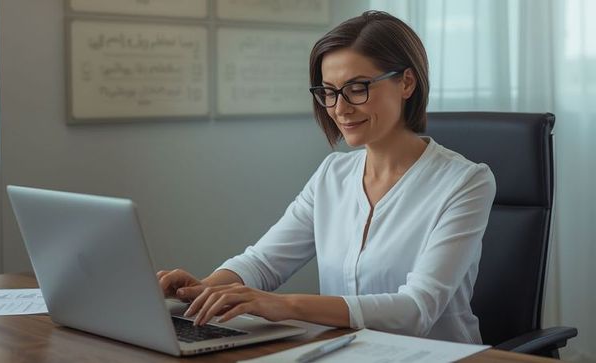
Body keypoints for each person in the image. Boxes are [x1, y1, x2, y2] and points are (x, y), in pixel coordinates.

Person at [157, 10, 495, 344]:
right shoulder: (333, 175)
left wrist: (285, 305)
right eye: (329, 91)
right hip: (345, 353)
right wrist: (203, 289)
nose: (339, 108)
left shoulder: (465, 182)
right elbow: (263, 262)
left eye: (357, 88)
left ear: (406, 82)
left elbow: (416, 309)